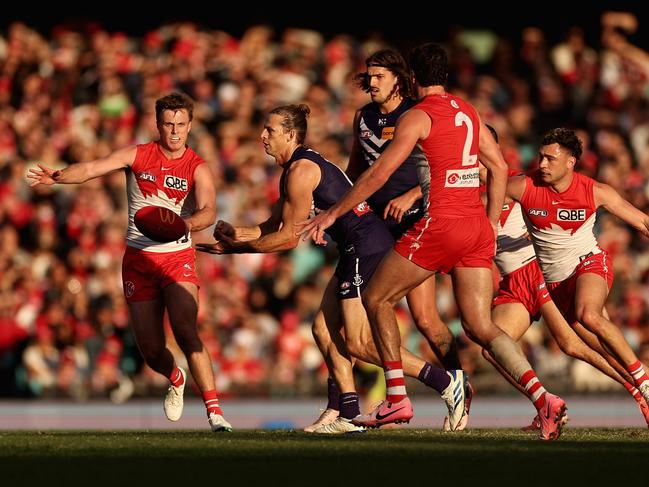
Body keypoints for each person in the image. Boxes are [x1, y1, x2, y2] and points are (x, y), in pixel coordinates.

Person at [299, 42, 567, 440]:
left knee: (376, 298)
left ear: (411, 79)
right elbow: (498, 165)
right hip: (475, 227)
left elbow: (377, 175)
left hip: (438, 224)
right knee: (479, 325)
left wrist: (332, 212)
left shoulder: (419, 116)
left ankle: (396, 397)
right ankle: (544, 398)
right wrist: (491, 222)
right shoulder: (469, 111)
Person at [197, 104, 466, 433]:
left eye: (270, 130)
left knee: (357, 342)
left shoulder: (301, 172)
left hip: (366, 247)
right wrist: (237, 234)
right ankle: (348, 414)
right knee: (323, 330)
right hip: (357, 247)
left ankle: (444, 382)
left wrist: (237, 248)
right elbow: (271, 226)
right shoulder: (294, 169)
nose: (262, 136)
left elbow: (288, 239)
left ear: (291, 135)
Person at [27, 92, 232, 432]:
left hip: (176, 256)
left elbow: (208, 210)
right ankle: (176, 377)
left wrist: (185, 224)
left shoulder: (197, 166)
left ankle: (215, 412)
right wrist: (59, 176)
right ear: (158, 125)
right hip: (138, 258)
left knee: (185, 329)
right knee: (151, 350)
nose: (175, 131)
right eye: (168, 124)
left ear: (190, 125)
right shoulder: (137, 155)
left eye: (181, 124)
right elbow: (92, 168)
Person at [478, 126, 649, 431]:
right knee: (503, 347)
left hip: (567, 267)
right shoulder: (517, 186)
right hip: (542, 282)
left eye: (550, 159)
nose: (542, 164)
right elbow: (466, 197)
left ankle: (641, 382)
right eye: (541, 157)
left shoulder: (590, 190)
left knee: (584, 324)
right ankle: (546, 402)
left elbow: (641, 220)